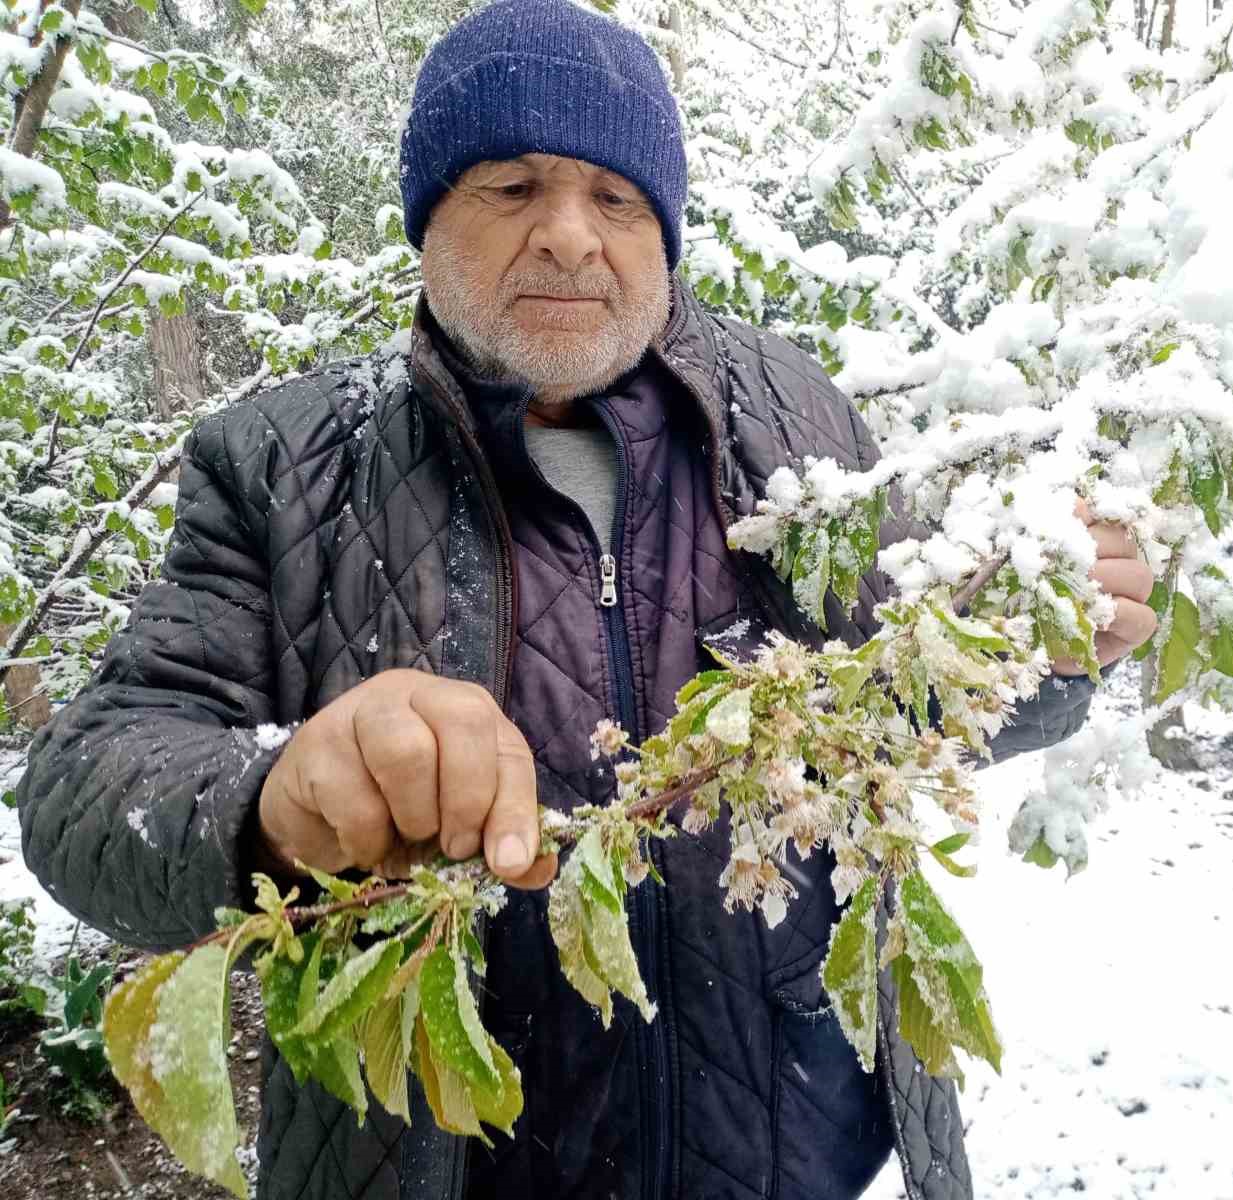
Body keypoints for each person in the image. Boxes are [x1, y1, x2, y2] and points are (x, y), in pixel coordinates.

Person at [16, 2, 1157, 1198]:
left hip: (787, 1153)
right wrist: (273, 803)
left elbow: (898, 704)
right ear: (426, 221)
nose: (569, 236)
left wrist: (1040, 646)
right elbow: (87, 787)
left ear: (663, 232)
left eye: (616, 199)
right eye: (511, 187)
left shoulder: (793, 416)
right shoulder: (282, 463)